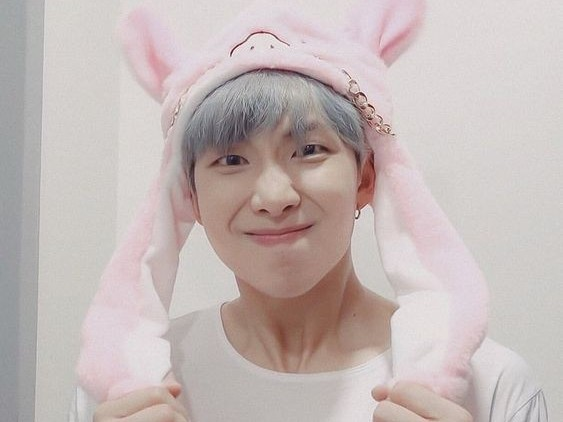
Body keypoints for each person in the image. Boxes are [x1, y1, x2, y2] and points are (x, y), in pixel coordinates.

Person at [70, 1, 548, 421]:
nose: (274, 196)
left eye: (310, 150)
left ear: (366, 178)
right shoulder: (128, 393)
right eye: (231, 159)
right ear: (189, 196)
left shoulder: (488, 386)